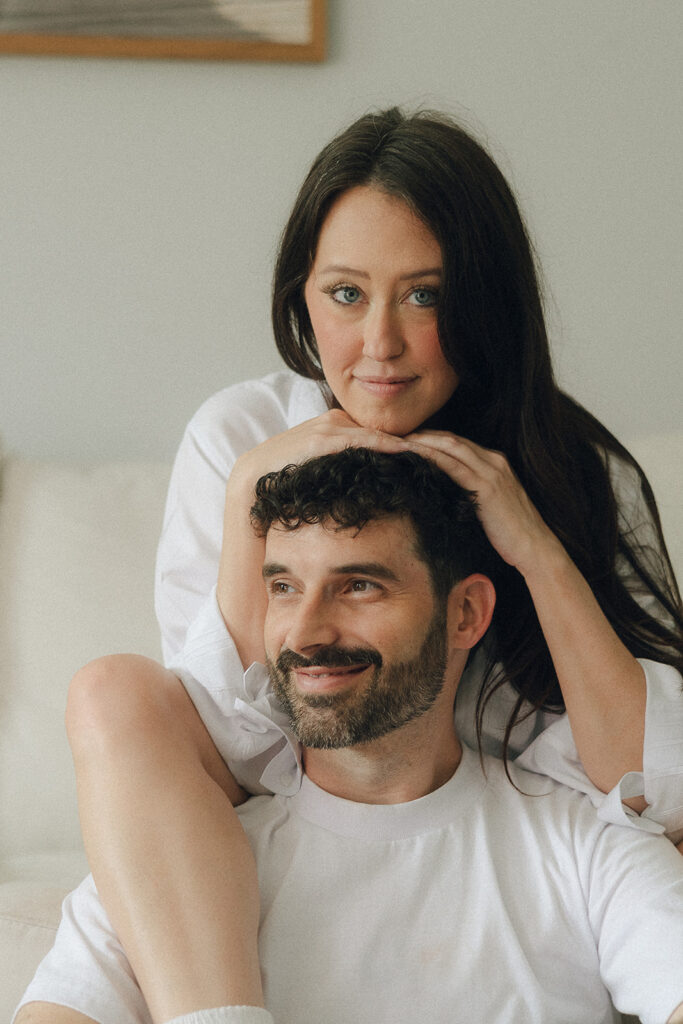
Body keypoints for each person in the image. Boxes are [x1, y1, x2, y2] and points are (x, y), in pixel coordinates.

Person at [40, 107, 683, 1021]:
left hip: (496, 814)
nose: (378, 344)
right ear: (302, 293)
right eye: (345, 294)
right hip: (309, 782)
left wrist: (531, 545)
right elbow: (242, 751)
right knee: (113, 694)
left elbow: (651, 794)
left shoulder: (569, 468)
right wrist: (244, 509)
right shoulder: (238, 433)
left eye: (424, 297)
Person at [16, 450, 683, 1024]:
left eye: (359, 586)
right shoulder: (181, 862)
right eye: (283, 587)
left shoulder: (588, 849)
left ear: (466, 613)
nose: (305, 632)